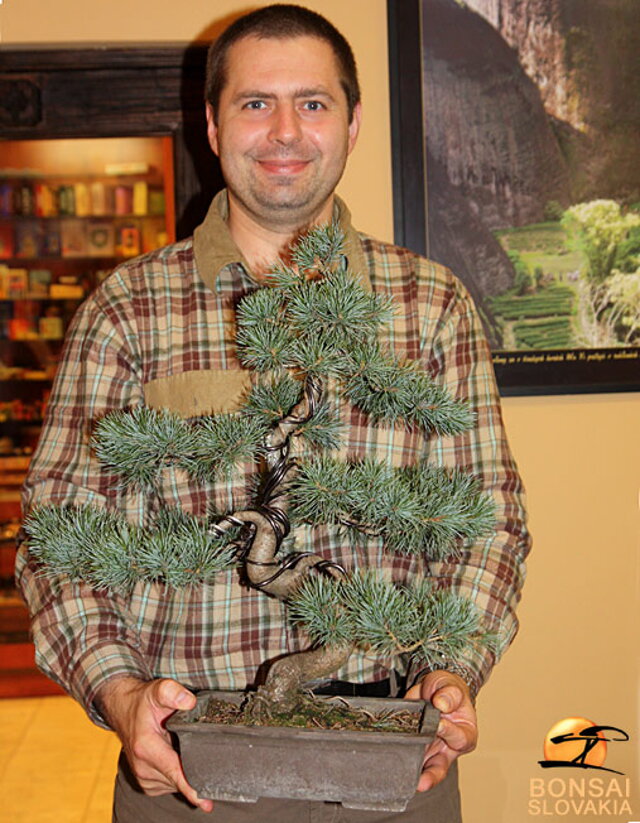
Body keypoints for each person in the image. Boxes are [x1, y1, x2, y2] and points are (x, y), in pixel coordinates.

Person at [16, 5, 531, 821]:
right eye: (256, 103)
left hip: (395, 753)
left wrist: (452, 669)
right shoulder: (127, 311)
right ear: (213, 126)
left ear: (353, 123)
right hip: (190, 766)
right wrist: (118, 692)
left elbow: (489, 523)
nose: (285, 130)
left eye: (313, 102)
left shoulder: (431, 306)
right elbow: (57, 535)